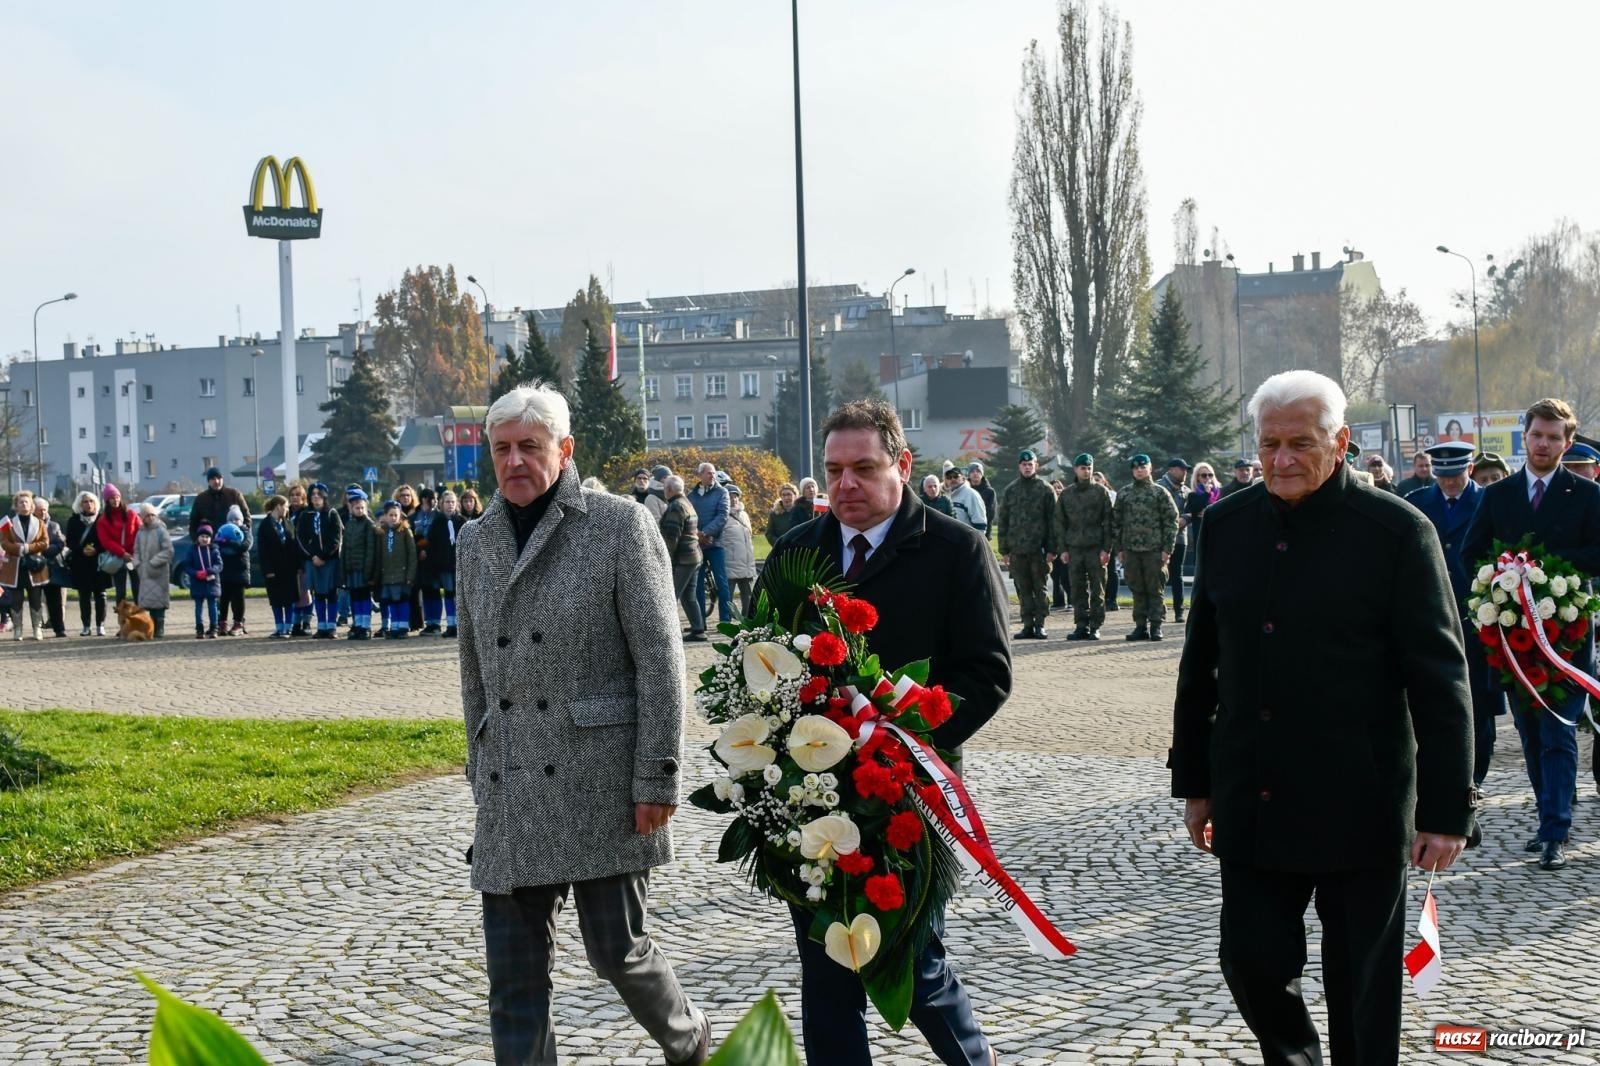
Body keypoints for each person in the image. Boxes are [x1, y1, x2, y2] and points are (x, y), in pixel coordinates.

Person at [1172, 369, 1474, 1066]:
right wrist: (1195, 781)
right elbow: (1201, 667)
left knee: (1362, 992)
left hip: (1359, 801)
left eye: (1300, 443)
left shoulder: (1397, 533)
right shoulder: (1225, 523)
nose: (1282, 459)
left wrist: (1446, 811)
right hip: (1255, 794)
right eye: (1269, 443)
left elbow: (1440, 679)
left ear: (1339, 442)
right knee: (1248, 962)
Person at [457, 384, 710, 1066]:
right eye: (502, 448)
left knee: (618, 954)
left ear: (563, 450)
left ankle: (691, 1042)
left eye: (529, 447)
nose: (514, 461)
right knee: (513, 983)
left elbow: (660, 661)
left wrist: (657, 774)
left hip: (600, 784)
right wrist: (480, 770)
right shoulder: (474, 541)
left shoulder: (619, 525)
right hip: (512, 786)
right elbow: (475, 671)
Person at [760, 399, 1010, 1066]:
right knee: (827, 975)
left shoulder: (956, 550)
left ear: (901, 464)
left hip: (910, 795)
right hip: (811, 796)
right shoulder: (795, 553)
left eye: (864, 468)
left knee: (916, 966)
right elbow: (756, 664)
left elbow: (986, 674)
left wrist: (906, 732)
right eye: (835, 469)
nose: (846, 485)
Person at [1462, 397, 1600, 872]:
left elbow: (1597, 554)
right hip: (1513, 637)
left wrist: (1544, 569)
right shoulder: (1497, 496)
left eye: (1554, 437)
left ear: (1567, 442)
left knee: (1560, 729)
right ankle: (1548, 814)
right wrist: (1500, 581)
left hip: (1567, 631)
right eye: (1537, 435)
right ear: (1525, 437)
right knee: (1529, 729)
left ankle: (1555, 831)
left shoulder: (1586, 496)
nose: (1544, 444)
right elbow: (1470, 553)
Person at [1406, 442, 1495, 790]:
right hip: (1429, 610)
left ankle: (1476, 772)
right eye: (1443, 477)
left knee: (1477, 698)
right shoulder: (1417, 502)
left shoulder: (1488, 501)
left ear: (1469, 470)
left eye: (1456, 476)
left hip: (1476, 613)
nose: (1449, 484)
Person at [999, 448, 1064, 640]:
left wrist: (1053, 549)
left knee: (1040, 588)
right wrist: (1005, 549)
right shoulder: (1011, 490)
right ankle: (1027, 624)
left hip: (1039, 549)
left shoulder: (1045, 489)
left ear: (1036, 465)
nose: (1027, 467)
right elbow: (1003, 521)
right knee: (1023, 588)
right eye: (1024, 464)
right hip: (1018, 550)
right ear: (1019, 466)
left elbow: (1054, 521)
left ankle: (1040, 624)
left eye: (1030, 464)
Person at [1114, 455, 1178, 641]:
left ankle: (1156, 626)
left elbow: (1171, 521)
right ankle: (1140, 626)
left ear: (1150, 468)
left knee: (1155, 589)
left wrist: (1167, 548)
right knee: (1137, 589)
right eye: (1136, 468)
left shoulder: (1159, 493)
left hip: (1154, 551)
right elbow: (1116, 523)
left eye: (1143, 467)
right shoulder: (1124, 493)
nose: (1139, 470)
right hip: (1131, 551)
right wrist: (1119, 548)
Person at [1058, 453, 1115, 641]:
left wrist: (1107, 548)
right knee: (1077, 588)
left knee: (1098, 588)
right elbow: (1059, 523)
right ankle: (1081, 625)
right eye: (1083, 468)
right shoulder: (1067, 494)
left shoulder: (1100, 492)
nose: (1086, 471)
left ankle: (1095, 626)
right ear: (1076, 469)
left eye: (1089, 468)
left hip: (1095, 547)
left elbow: (1109, 522)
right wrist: (1063, 549)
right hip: (1074, 548)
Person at [659, 475, 705, 641]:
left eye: (665, 488)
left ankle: (667, 633)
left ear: (669, 490)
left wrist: (666, 559)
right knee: (689, 596)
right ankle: (698, 629)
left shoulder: (675, 506)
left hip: (684, 558)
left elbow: (672, 536)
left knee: (671, 595)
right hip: (694, 555)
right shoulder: (687, 503)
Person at [296, 482, 344, 639]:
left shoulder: (332, 513)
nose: (315, 497)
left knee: (331, 592)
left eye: (319, 494)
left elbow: (336, 538)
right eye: (313, 494)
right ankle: (321, 626)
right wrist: (312, 556)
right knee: (318, 593)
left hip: (329, 560)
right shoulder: (305, 515)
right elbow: (300, 538)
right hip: (312, 561)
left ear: (324, 496)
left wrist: (323, 556)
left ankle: (331, 626)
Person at [688, 462, 734, 625]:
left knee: (722, 583)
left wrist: (706, 533)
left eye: (714, 473)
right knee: (697, 585)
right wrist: (698, 535)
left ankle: (725, 621)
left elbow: (722, 516)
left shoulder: (722, 492)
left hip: (716, 544)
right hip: (697, 546)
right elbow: (688, 517)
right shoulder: (691, 496)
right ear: (700, 475)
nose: (712, 476)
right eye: (709, 473)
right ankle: (700, 623)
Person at [1, 489, 49, 640]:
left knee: (36, 598)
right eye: (20, 502)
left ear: (31, 505)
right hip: (15, 566)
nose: (24, 504)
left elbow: (45, 542)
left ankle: (37, 628)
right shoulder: (8, 524)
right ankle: (18, 629)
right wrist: (19, 549)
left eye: (26, 502)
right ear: (16, 506)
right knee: (16, 599)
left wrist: (29, 548)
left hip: (34, 565)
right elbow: (4, 542)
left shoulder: (39, 523)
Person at [66, 491, 110, 636]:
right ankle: (86, 626)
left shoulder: (102, 519)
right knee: (84, 596)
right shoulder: (73, 521)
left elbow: (108, 539)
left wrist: (96, 549)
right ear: (80, 504)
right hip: (80, 562)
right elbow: (70, 541)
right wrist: (81, 550)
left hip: (98, 562)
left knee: (101, 594)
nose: (88, 504)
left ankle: (100, 625)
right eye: (85, 501)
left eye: (91, 501)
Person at [339, 489, 381, 640]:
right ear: (351, 508)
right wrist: (343, 568)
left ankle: (365, 626)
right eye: (356, 507)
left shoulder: (368, 524)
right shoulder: (349, 524)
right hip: (351, 569)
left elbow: (371, 549)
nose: (360, 510)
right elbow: (344, 549)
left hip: (363, 569)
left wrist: (368, 571)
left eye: (362, 507)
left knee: (364, 597)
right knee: (355, 597)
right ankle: (357, 624)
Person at [258, 495, 301, 639]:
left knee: (289, 600)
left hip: (289, 569)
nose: (287, 509)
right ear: (278, 506)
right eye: (286, 506)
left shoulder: (288, 524)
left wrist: (298, 566)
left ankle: (287, 628)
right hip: (274, 570)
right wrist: (268, 570)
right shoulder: (264, 526)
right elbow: (262, 550)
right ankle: (279, 627)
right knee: (276, 600)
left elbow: (295, 547)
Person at [1156, 458, 1191, 622]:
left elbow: (1193, 509)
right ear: (1171, 470)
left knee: (1177, 575)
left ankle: (1179, 611)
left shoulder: (1187, 491)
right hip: (1160, 538)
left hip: (1179, 538)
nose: (1185, 472)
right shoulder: (1159, 487)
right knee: (1158, 574)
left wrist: (1185, 517)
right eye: (1181, 469)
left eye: (1186, 470)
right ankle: (1158, 611)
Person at [376, 500, 417, 639]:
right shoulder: (383, 533)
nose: (393, 518)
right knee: (392, 600)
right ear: (385, 516)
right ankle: (394, 626)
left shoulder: (405, 531)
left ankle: (403, 626)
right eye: (390, 515)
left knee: (402, 600)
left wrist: (410, 575)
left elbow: (412, 554)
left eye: (395, 515)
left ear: (400, 516)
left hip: (403, 573)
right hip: (388, 574)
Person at [132, 502, 174, 638]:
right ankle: (151, 627)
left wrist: (153, 562)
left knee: (159, 602)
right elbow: (136, 550)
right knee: (149, 602)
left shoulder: (161, 530)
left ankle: (160, 627)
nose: (150, 518)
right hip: (144, 571)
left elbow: (168, 550)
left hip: (159, 571)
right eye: (146, 515)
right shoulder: (140, 532)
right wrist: (137, 563)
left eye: (152, 515)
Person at [97, 484, 140, 604]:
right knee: (120, 590)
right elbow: (106, 541)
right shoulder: (103, 520)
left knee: (137, 587)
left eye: (117, 497)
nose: (115, 500)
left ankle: (139, 616)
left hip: (133, 556)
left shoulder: (131, 514)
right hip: (117, 558)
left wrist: (134, 552)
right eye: (112, 498)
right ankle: (123, 618)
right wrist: (122, 553)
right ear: (107, 501)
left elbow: (140, 532)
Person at [432, 489, 466, 638]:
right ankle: (451, 624)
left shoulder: (462, 521)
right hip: (444, 565)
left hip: (459, 565)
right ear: (441, 504)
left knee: (459, 596)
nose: (450, 505)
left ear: (456, 503)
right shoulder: (437, 521)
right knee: (448, 594)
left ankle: (461, 626)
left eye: (452, 502)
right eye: (447, 502)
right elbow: (433, 544)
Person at [33, 496, 68, 638]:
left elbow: (60, 543)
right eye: (39, 510)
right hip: (34, 566)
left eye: (44, 510)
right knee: (35, 599)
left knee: (55, 599)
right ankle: (37, 627)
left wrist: (44, 549)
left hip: (51, 566)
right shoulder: (30, 525)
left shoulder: (54, 526)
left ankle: (59, 628)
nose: (42, 513)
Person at [722, 484, 758, 619]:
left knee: (748, 596)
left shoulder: (744, 515)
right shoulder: (723, 515)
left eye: (735, 496)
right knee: (728, 596)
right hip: (730, 562)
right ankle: (726, 620)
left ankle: (747, 620)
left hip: (747, 562)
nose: (733, 499)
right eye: (730, 496)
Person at [215, 505, 251, 636]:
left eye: (237, 519)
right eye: (231, 520)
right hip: (225, 571)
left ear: (241, 521)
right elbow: (216, 547)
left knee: (238, 599)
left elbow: (244, 546)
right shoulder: (223, 531)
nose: (234, 522)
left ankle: (238, 623)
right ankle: (222, 623)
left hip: (240, 571)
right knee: (223, 598)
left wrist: (228, 542)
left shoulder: (246, 532)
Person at [183, 524, 223, 639]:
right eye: (202, 536)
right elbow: (187, 565)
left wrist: (210, 571)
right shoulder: (192, 550)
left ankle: (214, 628)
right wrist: (195, 573)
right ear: (197, 538)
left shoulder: (214, 550)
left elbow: (219, 565)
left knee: (213, 606)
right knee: (198, 607)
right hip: (197, 583)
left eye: (207, 536)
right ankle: (199, 629)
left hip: (212, 583)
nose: (204, 539)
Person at [189, 466, 250, 540]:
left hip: (233, 542)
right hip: (211, 543)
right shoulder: (201, 499)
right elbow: (193, 523)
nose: (216, 481)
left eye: (219, 478)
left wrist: (245, 538)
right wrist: (197, 541)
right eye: (213, 479)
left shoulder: (234, 495)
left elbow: (246, 517)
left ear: (222, 479)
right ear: (208, 481)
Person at [1183, 462, 1221, 556]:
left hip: (1217, 532)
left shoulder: (1220, 493)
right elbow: (1192, 510)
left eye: (1210, 475)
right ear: (1198, 478)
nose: (1208, 478)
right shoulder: (1193, 495)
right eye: (1204, 475)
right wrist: (1206, 494)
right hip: (1201, 533)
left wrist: (1209, 512)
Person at [943, 467, 987, 532]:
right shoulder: (945, 495)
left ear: (963, 478)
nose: (952, 479)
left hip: (966, 539)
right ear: (946, 481)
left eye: (955, 476)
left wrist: (975, 541)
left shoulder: (971, 494)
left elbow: (980, 522)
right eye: (949, 477)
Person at [966, 461, 996, 539]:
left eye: (978, 471)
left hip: (984, 531)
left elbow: (990, 514)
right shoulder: (964, 491)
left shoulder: (989, 492)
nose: (975, 473)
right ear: (968, 474)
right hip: (966, 529)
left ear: (982, 474)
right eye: (972, 471)